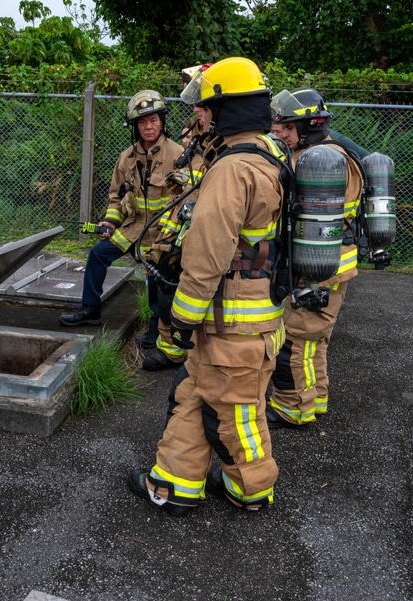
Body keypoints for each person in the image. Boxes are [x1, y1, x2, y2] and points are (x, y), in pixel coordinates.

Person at [128, 57, 287, 515]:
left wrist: (181, 316)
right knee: (193, 393)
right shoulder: (272, 153)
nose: (201, 115)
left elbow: (209, 253)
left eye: (208, 106)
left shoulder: (234, 169)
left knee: (235, 413)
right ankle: (175, 483)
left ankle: (251, 488)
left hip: (233, 320)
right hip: (250, 314)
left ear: (228, 108)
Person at [266, 88, 364, 428]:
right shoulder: (330, 155)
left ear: (310, 126)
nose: (283, 135)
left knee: (297, 339)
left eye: (289, 128)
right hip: (331, 265)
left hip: (319, 267)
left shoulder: (322, 164)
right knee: (315, 340)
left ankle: (292, 408)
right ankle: (315, 399)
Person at [59, 90, 181, 329]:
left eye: (153, 120)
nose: (148, 127)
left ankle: (156, 329)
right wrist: (111, 222)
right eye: (143, 122)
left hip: (161, 234)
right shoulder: (126, 158)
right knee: (97, 254)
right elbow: (116, 196)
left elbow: (183, 198)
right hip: (132, 229)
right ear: (135, 127)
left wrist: (170, 236)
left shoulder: (177, 156)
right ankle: (90, 309)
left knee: (157, 277)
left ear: (162, 122)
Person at [140, 67, 214, 372]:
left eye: (201, 103)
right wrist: (172, 179)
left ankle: (185, 351)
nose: (195, 109)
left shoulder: (226, 142)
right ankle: (171, 350)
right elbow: (188, 179)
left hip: (198, 226)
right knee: (166, 282)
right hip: (176, 224)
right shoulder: (200, 135)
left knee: (183, 288)